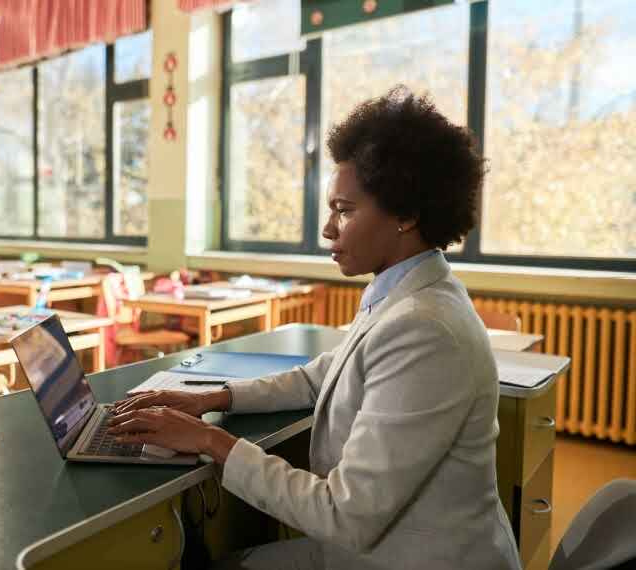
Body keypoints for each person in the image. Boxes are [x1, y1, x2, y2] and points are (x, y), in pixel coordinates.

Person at [108, 86, 521, 570]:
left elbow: (347, 515)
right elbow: (318, 376)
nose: (328, 229)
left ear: (407, 214)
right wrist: (212, 398)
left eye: (344, 211)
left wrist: (209, 440)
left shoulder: (426, 328)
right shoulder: (406, 295)